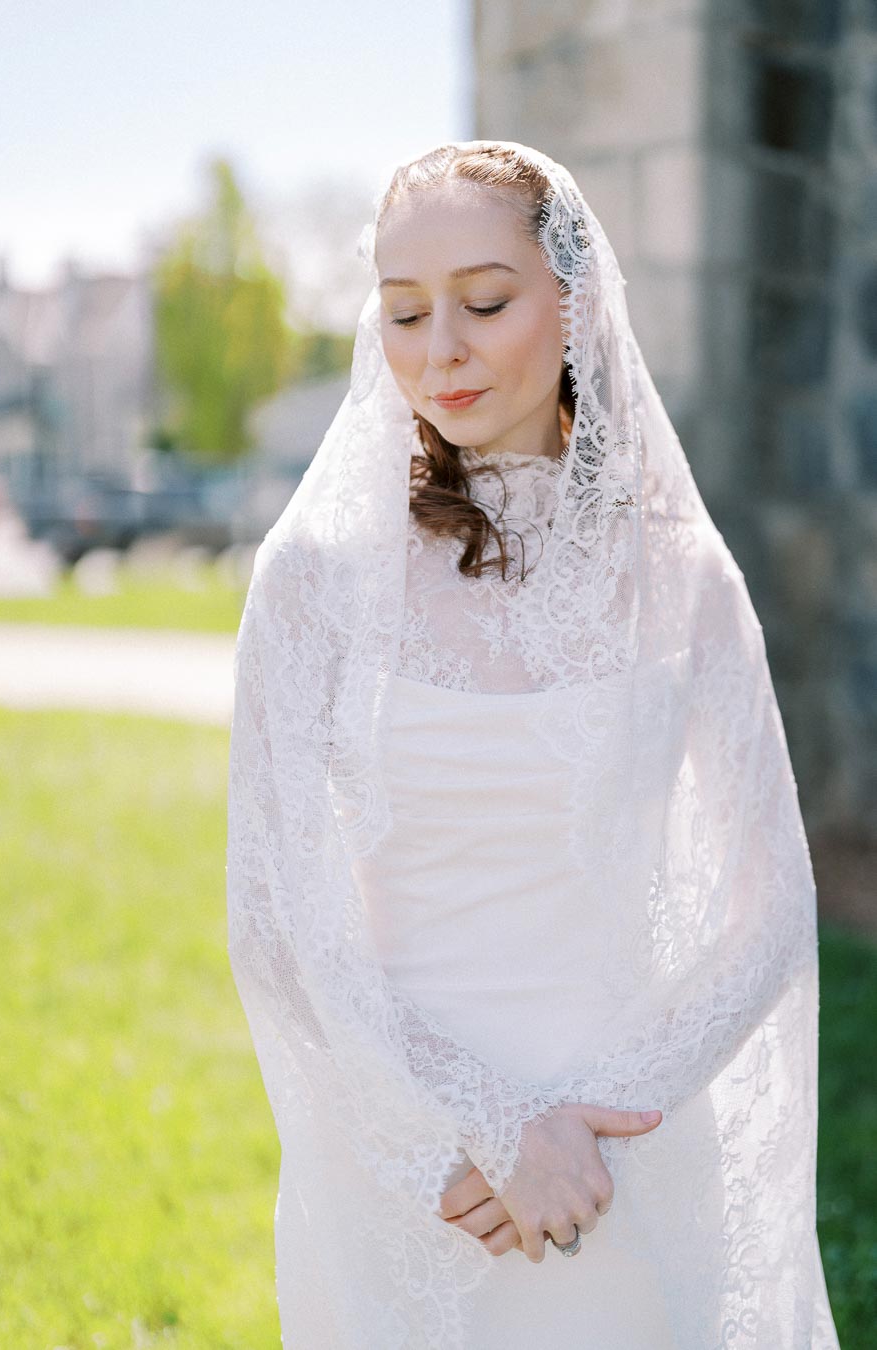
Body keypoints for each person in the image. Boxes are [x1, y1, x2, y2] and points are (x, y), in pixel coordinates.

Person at [226, 140, 840, 1348]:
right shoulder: (318, 575)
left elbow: (770, 909)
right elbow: (276, 916)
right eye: (405, 312)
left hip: (624, 1154)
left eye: (485, 301)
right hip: (408, 1158)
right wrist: (473, 1133)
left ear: (576, 300)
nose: (439, 350)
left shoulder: (681, 575)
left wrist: (595, 1123)